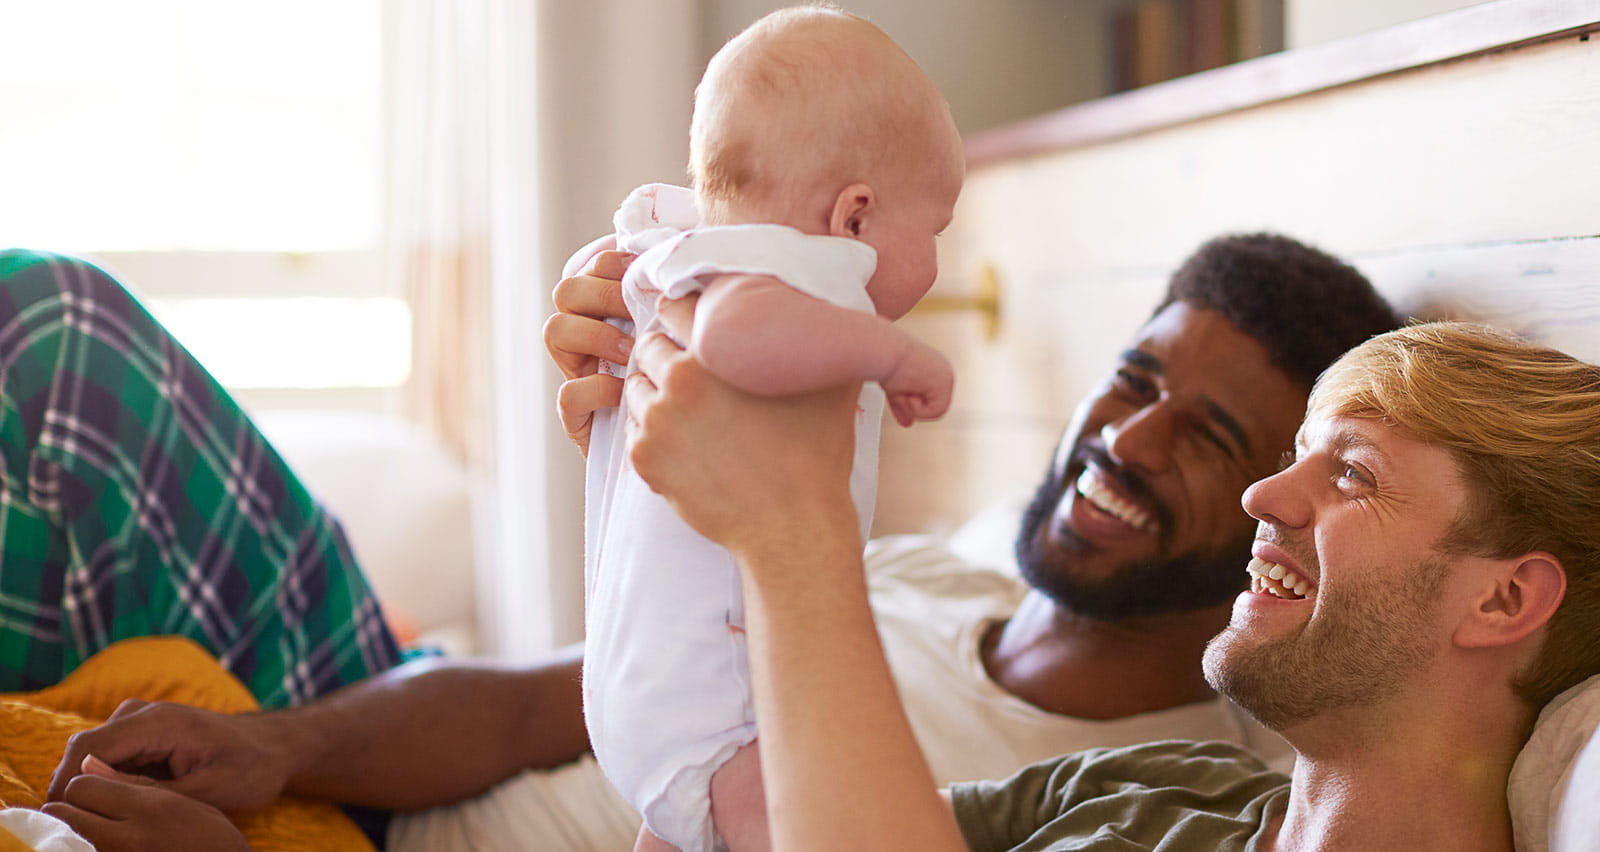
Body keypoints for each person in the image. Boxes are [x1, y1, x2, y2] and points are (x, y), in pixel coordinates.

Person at [39, 230, 1396, 851]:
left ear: (1277, 516)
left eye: (1213, 439)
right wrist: (286, 744)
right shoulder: (922, 575)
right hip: (361, 770)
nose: (1130, 440)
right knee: (62, 331)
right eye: (1135, 378)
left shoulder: (1148, 796)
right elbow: (545, 700)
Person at [623, 317, 1600, 850]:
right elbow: (735, 831)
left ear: (1502, 600)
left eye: (1350, 474)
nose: (1264, 493)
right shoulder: (1163, 787)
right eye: (1295, 455)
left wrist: (795, 540)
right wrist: (671, 335)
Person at [581, 9, 962, 852]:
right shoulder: (787, 270)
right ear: (855, 219)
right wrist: (895, 354)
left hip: (653, 695)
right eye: (934, 230)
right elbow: (739, 335)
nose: (937, 264)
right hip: (714, 703)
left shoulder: (687, 246)